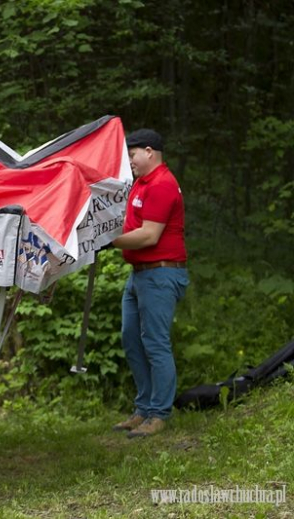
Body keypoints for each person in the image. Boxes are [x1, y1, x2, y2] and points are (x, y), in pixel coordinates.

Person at [111, 129, 189, 438]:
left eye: (132, 155)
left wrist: (108, 242)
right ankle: (143, 409)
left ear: (149, 151)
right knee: (131, 339)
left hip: (161, 273)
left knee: (155, 342)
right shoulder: (141, 184)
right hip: (140, 275)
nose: (129, 161)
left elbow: (149, 235)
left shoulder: (162, 184)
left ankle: (159, 414)